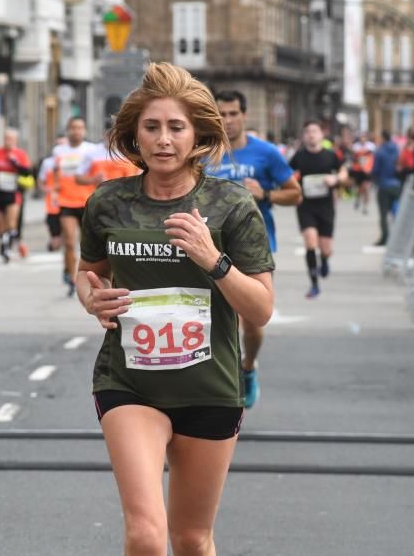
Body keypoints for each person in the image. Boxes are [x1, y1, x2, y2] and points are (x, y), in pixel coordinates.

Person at [76, 62, 274, 555]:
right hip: (129, 380)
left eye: (176, 128)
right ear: (134, 135)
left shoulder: (230, 205)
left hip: (208, 385)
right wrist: (91, 298)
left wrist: (214, 260)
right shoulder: (108, 203)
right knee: (146, 536)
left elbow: (262, 308)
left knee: (190, 538)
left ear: (198, 135)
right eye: (152, 127)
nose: (164, 140)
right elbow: (87, 272)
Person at [206, 89, 301, 409]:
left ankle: (248, 368)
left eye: (233, 114)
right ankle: (226, 385)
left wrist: (266, 194)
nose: (228, 120)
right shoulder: (204, 154)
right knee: (225, 322)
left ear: (244, 116)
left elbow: (295, 194)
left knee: (254, 324)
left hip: (256, 248)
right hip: (214, 248)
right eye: (222, 114)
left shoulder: (266, 153)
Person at [289, 120, 347, 299]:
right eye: (307, 132)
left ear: (321, 135)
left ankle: (326, 259)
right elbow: (287, 175)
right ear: (304, 136)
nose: (311, 134)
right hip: (306, 205)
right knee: (310, 242)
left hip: (326, 206)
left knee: (326, 248)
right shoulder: (299, 156)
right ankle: (314, 284)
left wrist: (335, 179)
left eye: (314, 131)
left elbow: (344, 172)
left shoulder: (331, 155)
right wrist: (294, 188)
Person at [52, 117, 96, 296]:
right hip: (66, 202)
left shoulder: (91, 150)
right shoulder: (59, 151)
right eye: (73, 128)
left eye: (80, 128)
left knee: (87, 244)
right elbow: (55, 173)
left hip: (88, 202)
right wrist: (54, 191)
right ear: (68, 130)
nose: (76, 131)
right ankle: (72, 277)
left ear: (84, 131)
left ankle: (85, 274)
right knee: (69, 242)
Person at [0, 128, 32, 262]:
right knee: (0, 226)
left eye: (11, 139)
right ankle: (5, 244)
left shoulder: (20, 154)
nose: (9, 141)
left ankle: (6, 249)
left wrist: (15, 163)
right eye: (6, 138)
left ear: (16, 141)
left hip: (13, 192)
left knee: (11, 223)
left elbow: (28, 172)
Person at [370, 129, 401, 246]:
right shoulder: (397, 149)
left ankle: (385, 237)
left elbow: (375, 169)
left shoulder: (380, 152)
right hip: (396, 185)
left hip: (384, 185)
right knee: (396, 212)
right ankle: (398, 237)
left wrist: (374, 180)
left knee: (383, 214)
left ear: (383, 138)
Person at [350, 131, 377, 214]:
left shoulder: (371, 146)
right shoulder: (355, 146)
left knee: (366, 188)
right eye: (361, 137)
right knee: (359, 188)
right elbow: (353, 158)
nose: (362, 139)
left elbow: (373, 158)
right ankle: (358, 198)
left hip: (367, 171)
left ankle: (365, 207)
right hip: (358, 171)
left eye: (364, 137)